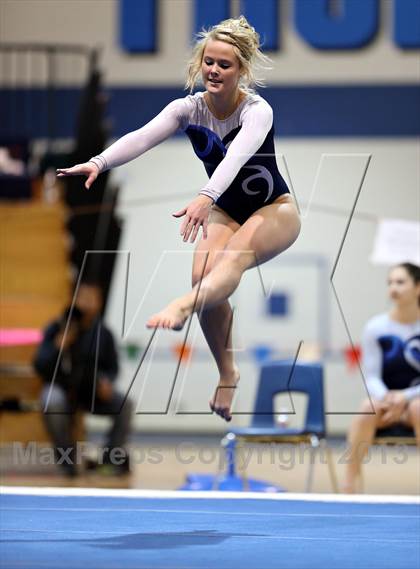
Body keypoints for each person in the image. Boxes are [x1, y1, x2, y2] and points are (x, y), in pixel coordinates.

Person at [56, 16, 301, 422]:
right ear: (199, 63)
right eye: (209, 61)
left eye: (225, 64)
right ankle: (228, 373)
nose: (215, 70)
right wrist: (99, 161)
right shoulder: (187, 109)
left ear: (241, 71)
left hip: (274, 209)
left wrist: (206, 195)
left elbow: (238, 156)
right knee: (203, 277)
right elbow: (141, 136)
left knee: (233, 260)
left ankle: (182, 307)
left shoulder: (257, 111)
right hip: (226, 209)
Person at [33, 281, 133, 477]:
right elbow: (39, 364)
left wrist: (106, 381)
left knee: (125, 404)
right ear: (74, 300)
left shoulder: (103, 333)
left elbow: (112, 368)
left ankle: (110, 460)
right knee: (50, 401)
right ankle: (67, 462)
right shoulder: (57, 327)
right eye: (82, 298)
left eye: (91, 298)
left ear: (99, 302)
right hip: (60, 387)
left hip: (90, 390)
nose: (87, 303)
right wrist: (57, 347)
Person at [343, 263, 420, 493]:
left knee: (418, 408)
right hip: (386, 404)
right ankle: (349, 484)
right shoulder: (376, 327)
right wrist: (388, 397)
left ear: (417, 287)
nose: (393, 288)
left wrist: (404, 397)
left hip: (415, 402)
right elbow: (372, 376)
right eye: (390, 282)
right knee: (368, 406)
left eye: (400, 282)